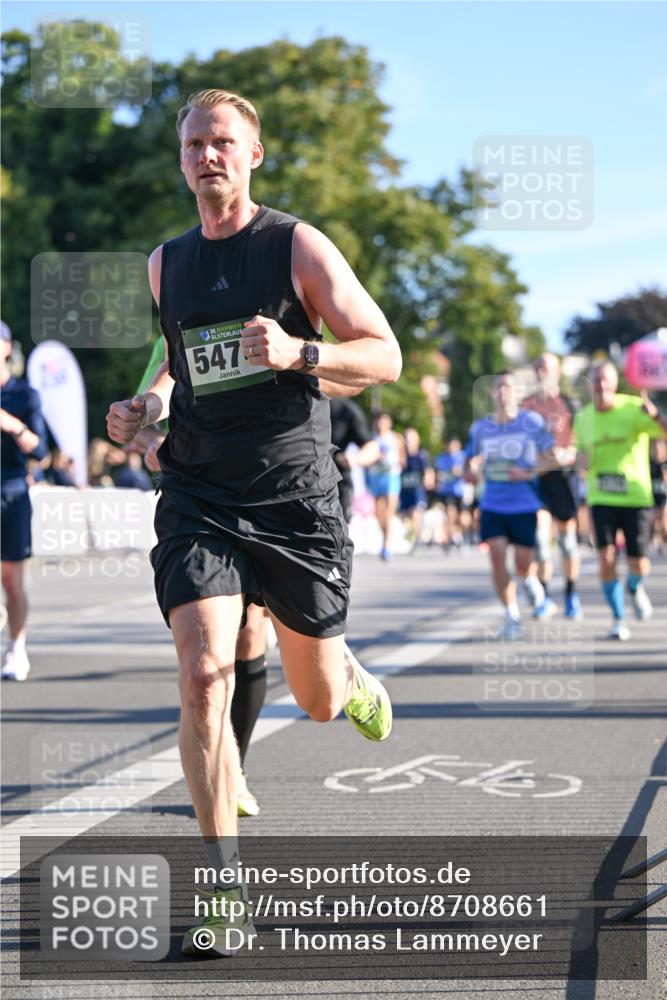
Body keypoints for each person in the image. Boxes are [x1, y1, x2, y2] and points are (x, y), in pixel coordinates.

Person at [106, 88, 401, 956]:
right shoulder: (167, 262)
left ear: (254, 153)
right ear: (182, 157)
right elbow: (175, 358)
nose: (208, 156)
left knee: (313, 702)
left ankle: (346, 679)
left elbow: (382, 353)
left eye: (224, 142)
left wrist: (300, 351)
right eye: (195, 143)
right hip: (199, 493)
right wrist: (143, 415)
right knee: (204, 674)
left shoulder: (296, 245)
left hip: (295, 496)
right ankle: (222, 891)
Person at [573, 361, 667, 640]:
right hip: (600, 496)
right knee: (606, 556)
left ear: (614, 383)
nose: (601, 385)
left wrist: (656, 415)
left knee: (638, 562)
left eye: (605, 380)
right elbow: (579, 456)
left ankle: (636, 587)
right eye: (596, 380)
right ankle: (617, 618)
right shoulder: (583, 417)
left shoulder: (633, 408)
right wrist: (581, 462)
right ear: (590, 384)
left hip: (635, 497)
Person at [464, 370, 558, 639]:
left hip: (524, 503)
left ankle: (530, 583)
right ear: (493, 393)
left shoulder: (532, 422)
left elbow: (552, 456)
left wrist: (529, 472)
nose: (504, 392)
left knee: (522, 565)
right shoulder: (481, 428)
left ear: (517, 393)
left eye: (509, 387)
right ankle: (511, 615)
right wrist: (471, 467)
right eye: (499, 387)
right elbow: (469, 463)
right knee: (496, 556)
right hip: (493, 502)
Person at [1, 321, 48, 681]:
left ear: (7, 348)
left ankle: (16, 648)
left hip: (11, 490)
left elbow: (42, 451)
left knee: (12, 580)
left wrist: (12, 425)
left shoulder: (24, 395)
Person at [522, 353, 582, 619]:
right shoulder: (526, 406)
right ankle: (544, 597)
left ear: (558, 372)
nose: (542, 372)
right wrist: (540, 462)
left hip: (564, 478)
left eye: (547, 367)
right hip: (538, 479)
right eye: (538, 367)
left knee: (568, 544)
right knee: (541, 543)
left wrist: (566, 454)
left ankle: (571, 593)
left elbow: (581, 446)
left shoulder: (570, 403)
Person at [328, 395, 379, 523]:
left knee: (339, 530)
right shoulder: (296, 400)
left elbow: (372, 448)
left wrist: (354, 459)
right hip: (299, 482)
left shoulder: (345, 409)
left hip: (336, 483)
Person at [366, 411, 405, 560]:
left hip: (391, 477)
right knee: (379, 513)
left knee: (389, 511)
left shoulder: (396, 438)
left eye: (383, 421)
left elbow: (402, 457)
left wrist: (397, 462)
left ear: (389, 423)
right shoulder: (371, 438)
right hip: (377, 477)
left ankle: (386, 545)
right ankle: (384, 537)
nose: (380, 424)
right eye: (378, 421)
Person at [399, 427, 431, 548]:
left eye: (411, 439)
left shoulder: (421, 456)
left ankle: (417, 540)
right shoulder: (401, 456)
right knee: (404, 516)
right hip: (404, 490)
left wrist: (428, 479)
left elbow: (428, 470)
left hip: (417, 490)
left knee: (415, 513)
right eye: (406, 439)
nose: (408, 442)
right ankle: (409, 537)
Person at [434, 437, 468, 550]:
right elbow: (438, 473)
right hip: (446, 491)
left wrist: (460, 472)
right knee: (450, 513)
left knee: (462, 517)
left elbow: (468, 471)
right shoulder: (442, 458)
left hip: (459, 491)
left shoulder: (462, 457)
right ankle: (449, 538)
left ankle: (462, 535)